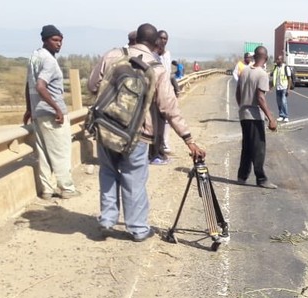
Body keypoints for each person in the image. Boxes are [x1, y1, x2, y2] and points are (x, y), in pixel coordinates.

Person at [87, 23, 205, 242]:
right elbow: (168, 107)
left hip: (106, 128)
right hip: (137, 134)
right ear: (155, 43)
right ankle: (138, 229)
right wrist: (188, 139)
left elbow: (92, 86)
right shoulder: (157, 68)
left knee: (108, 172)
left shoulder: (112, 55)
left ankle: (107, 219)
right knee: (134, 179)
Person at [23, 24, 80, 200]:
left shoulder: (34, 57)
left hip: (38, 112)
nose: (59, 44)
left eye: (61, 40)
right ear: (45, 40)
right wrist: (57, 108)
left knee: (44, 152)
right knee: (61, 152)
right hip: (52, 113)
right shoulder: (49, 60)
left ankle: (47, 190)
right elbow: (40, 86)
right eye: (55, 40)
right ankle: (67, 188)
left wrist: (29, 108)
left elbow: (29, 85)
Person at [235, 45, 278, 189]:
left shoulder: (244, 71)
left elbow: (238, 94)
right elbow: (260, 98)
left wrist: (243, 106)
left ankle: (242, 176)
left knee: (247, 146)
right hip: (254, 116)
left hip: (243, 114)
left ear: (254, 57)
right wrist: (271, 118)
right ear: (265, 58)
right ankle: (261, 178)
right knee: (258, 148)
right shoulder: (262, 74)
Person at [149, 29, 172, 165]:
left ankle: (160, 151)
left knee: (162, 125)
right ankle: (154, 155)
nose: (163, 41)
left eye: (165, 39)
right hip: (154, 95)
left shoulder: (167, 55)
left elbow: (167, 74)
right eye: (161, 38)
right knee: (155, 126)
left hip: (165, 94)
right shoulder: (152, 55)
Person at [272, 55, 292, 122]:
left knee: (284, 102)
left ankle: (286, 116)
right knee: (279, 102)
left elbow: (289, 79)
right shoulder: (276, 67)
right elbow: (273, 76)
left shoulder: (286, 68)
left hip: (284, 87)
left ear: (281, 60)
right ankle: (281, 115)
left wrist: (288, 89)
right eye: (276, 59)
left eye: (278, 59)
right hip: (278, 87)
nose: (277, 61)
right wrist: (271, 86)